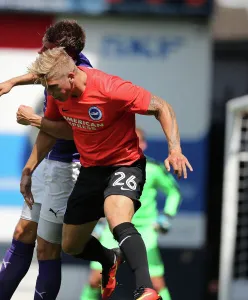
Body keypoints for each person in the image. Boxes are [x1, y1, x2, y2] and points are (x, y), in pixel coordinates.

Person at [18, 47, 193, 300]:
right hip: (91, 169)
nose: (52, 93)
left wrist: (174, 149)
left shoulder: (111, 88)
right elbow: (58, 131)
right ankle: (109, 258)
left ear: (71, 75)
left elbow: (161, 107)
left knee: (117, 218)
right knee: (71, 245)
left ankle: (145, 289)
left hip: (125, 164)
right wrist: (28, 169)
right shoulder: (58, 95)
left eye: (54, 86)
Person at [0, 20, 92, 300]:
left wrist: (35, 120)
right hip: (51, 164)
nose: (41, 51)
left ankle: (107, 256)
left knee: (47, 249)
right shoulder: (60, 69)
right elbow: (40, 76)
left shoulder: (83, 81)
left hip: (69, 170)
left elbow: (73, 129)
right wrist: (13, 81)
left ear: (65, 56)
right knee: (22, 232)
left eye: (48, 48)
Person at [81, 128, 181, 300]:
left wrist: (166, 216)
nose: (133, 145)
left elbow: (174, 193)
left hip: (145, 232)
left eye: (137, 141)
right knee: (96, 280)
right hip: (112, 230)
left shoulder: (153, 169)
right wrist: (97, 223)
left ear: (144, 144)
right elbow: (97, 196)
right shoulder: (108, 168)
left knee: (155, 284)